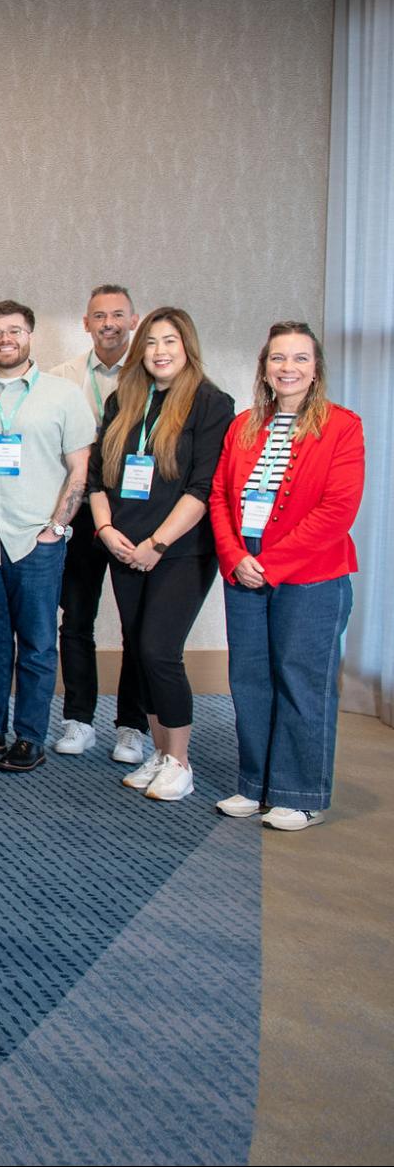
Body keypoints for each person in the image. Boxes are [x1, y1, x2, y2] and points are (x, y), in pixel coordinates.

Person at [209, 321, 363, 831]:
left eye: (300, 358)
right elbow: (219, 499)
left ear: (316, 368)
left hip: (311, 575)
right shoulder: (244, 425)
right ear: (264, 368)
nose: (288, 368)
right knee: (250, 680)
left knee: (302, 681)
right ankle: (256, 785)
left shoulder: (343, 426)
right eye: (278, 358)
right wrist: (234, 558)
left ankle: (299, 793)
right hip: (244, 569)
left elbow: (337, 511)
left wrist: (270, 565)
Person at [85, 308, 234, 802]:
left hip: (180, 551)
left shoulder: (211, 403)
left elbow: (202, 488)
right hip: (124, 549)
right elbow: (98, 480)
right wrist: (106, 531)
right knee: (139, 651)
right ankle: (160, 753)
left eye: (170, 341)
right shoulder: (122, 400)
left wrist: (158, 544)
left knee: (159, 651)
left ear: (187, 346)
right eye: (150, 342)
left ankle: (181, 762)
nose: (160, 351)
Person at [0, 301, 96, 773]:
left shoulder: (63, 395)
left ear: (30, 335)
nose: (4, 339)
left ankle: (30, 736)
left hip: (37, 543)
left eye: (14, 330)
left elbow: (80, 468)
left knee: (35, 644)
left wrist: (56, 528)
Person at [52, 284, 147, 760]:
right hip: (80, 514)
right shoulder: (62, 378)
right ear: (85, 323)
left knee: (138, 625)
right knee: (76, 619)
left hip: (135, 515)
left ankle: (132, 725)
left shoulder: (154, 373)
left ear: (135, 321)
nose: (108, 323)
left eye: (117, 315)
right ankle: (78, 719)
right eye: (98, 316)